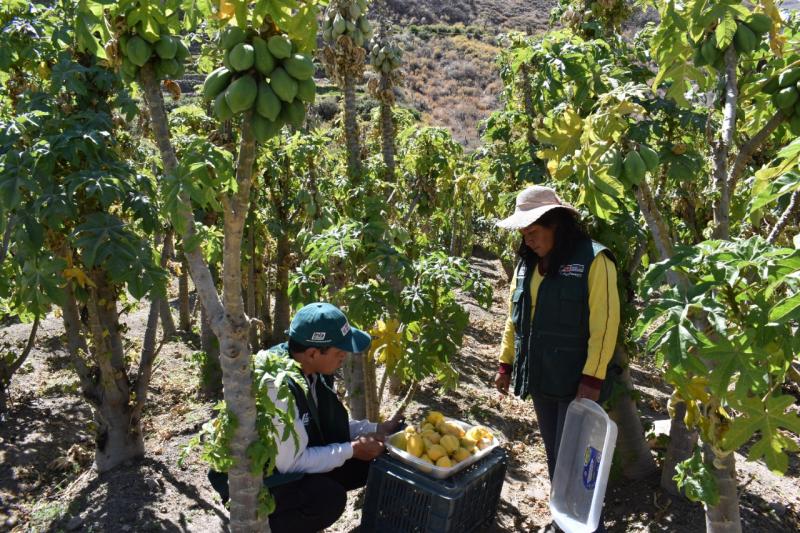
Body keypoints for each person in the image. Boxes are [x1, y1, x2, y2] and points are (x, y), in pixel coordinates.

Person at [208, 302, 403, 532]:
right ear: (312, 353)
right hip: (264, 479)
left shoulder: (313, 368)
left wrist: (377, 428)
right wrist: (353, 449)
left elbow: (326, 423)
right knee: (327, 500)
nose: (344, 357)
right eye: (339, 352)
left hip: (292, 454)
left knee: (372, 461)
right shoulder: (276, 387)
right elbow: (291, 463)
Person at [494, 185, 619, 533]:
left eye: (533, 232)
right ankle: (563, 519)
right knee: (555, 454)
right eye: (524, 234)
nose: (528, 240)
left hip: (577, 381)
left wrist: (592, 378)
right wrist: (506, 364)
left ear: (557, 225)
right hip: (542, 377)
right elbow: (514, 319)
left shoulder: (595, 259)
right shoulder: (527, 265)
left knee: (577, 459)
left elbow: (605, 324)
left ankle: (587, 524)